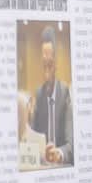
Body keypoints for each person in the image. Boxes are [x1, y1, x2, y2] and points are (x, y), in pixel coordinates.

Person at [27, 27, 73, 166]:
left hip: (62, 166)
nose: (46, 74)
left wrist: (59, 153)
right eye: (44, 64)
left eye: (50, 64)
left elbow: (71, 144)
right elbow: (32, 138)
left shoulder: (65, 93)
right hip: (43, 166)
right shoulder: (39, 94)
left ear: (56, 64)